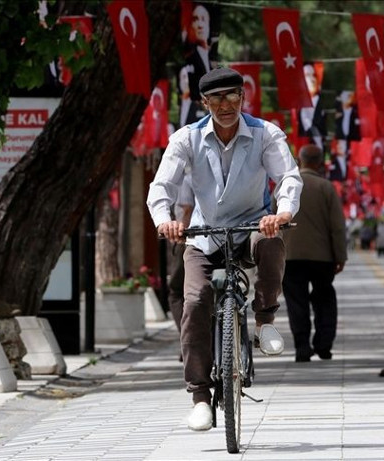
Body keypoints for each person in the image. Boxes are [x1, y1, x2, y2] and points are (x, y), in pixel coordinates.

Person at [146, 67, 302, 432]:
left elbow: (288, 176)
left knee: (271, 242)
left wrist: (281, 212)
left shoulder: (266, 134)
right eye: (216, 98)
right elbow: (161, 187)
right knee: (196, 301)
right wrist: (164, 221)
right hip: (204, 234)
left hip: (252, 226)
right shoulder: (187, 139)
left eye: (233, 95)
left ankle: (264, 320)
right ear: (203, 103)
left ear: (243, 97)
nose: (226, 104)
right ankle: (200, 396)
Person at [280, 145, 346, 363]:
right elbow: (337, 225)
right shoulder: (326, 187)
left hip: (290, 255)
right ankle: (324, 344)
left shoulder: (285, 186)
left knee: (296, 301)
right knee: (325, 298)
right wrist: (340, 255)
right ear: (320, 162)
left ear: (299, 160)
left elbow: (273, 219)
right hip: (322, 256)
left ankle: (302, 347)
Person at [167, 174, 195, 336]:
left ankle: (188, 339)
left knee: (176, 291)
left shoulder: (186, 179)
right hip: (215, 237)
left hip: (188, 239)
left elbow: (187, 209)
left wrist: (181, 236)